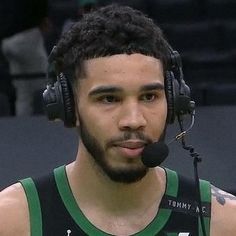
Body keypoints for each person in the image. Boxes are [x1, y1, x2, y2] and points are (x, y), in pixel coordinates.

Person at [0, 4, 236, 236]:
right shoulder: (12, 221)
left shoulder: (223, 222)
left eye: (149, 96)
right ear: (68, 107)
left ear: (174, 102)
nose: (134, 120)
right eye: (109, 99)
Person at [1, 0, 50, 116]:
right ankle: (48, 126)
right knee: (45, 83)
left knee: (23, 93)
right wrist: (43, 18)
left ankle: (22, 126)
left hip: (7, 43)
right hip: (27, 37)